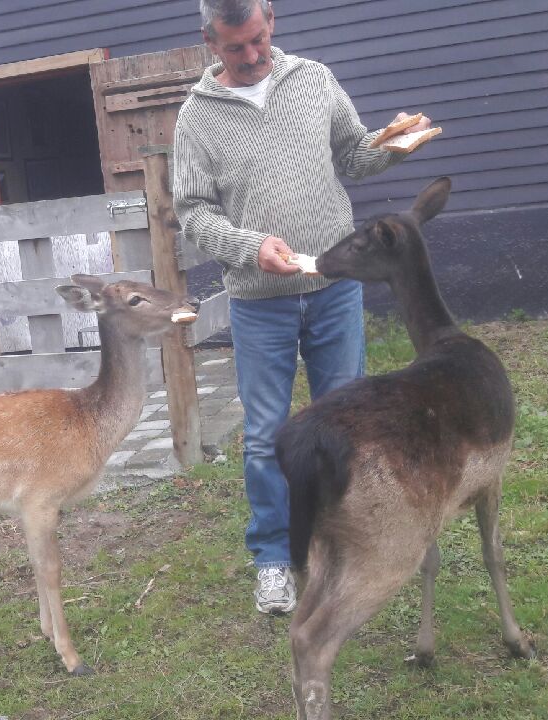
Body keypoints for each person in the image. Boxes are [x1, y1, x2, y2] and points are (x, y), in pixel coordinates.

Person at [173, 0, 434, 614]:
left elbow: (354, 157)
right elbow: (192, 211)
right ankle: (272, 557)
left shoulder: (314, 80)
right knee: (266, 435)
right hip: (258, 304)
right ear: (210, 41)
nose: (253, 56)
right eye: (236, 47)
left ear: (271, 21)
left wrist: (395, 142)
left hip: (335, 288)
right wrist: (248, 246)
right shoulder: (196, 118)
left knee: (346, 423)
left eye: (259, 40)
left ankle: (343, 542)